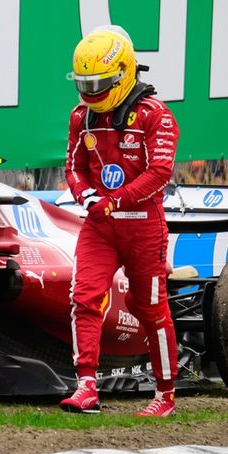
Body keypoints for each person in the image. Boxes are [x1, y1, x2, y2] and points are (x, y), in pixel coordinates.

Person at [60, 25, 180, 417]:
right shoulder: (82, 117)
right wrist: (87, 196)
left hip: (143, 226)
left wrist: (116, 200)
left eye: (100, 82)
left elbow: (159, 172)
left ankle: (165, 394)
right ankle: (87, 387)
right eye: (84, 82)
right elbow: (73, 169)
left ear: (124, 72)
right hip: (100, 224)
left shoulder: (155, 116)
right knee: (84, 297)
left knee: (150, 309)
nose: (92, 91)